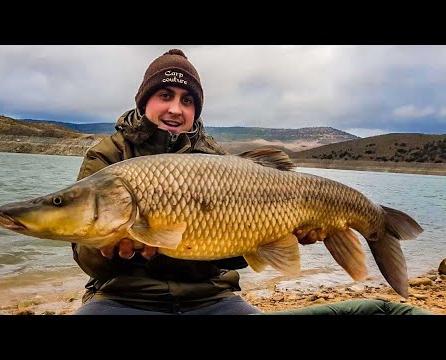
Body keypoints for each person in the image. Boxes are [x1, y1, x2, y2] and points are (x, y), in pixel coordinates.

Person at [72, 48, 322, 315]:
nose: (175, 109)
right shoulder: (108, 155)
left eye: (187, 100)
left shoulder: (216, 160)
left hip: (210, 296)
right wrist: (105, 249)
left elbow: (234, 259)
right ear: (144, 101)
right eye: (165, 95)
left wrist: (277, 233)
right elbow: (86, 259)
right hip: (123, 296)